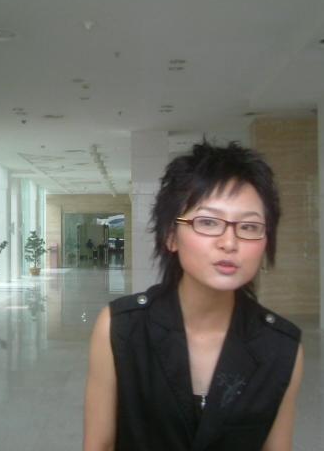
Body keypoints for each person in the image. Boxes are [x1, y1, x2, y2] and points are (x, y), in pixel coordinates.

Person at [84, 140, 304, 451]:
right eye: (208, 222)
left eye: (249, 226)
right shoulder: (121, 327)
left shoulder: (281, 346)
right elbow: (99, 445)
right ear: (170, 236)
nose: (229, 242)